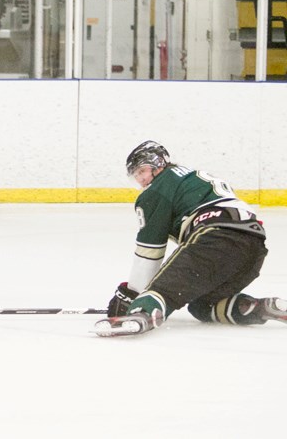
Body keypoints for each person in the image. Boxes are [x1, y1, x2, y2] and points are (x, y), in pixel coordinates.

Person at [95, 140, 287, 336]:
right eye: (136, 176)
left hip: (215, 236)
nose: (141, 180)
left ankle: (141, 315)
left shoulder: (158, 189)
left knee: (163, 291)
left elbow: (149, 253)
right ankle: (260, 307)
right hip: (253, 246)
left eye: (142, 171)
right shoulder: (189, 178)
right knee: (203, 305)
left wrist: (132, 295)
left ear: (158, 165)